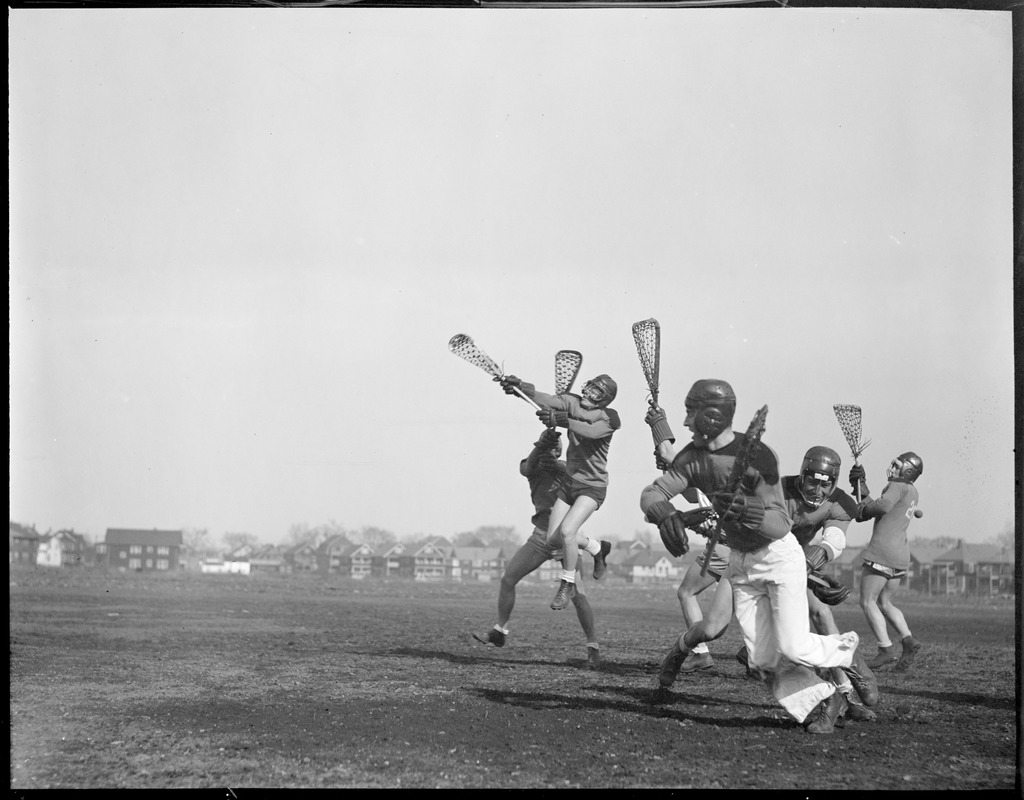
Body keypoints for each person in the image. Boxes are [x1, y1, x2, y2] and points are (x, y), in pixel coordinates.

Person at [640, 379, 878, 734]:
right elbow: (654, 490)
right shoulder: (693, 458)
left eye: (692, 412)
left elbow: (780, 525)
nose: (688, 421)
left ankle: (846, 654)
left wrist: (745, 509)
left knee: (794, 644)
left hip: (778, 557)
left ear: (713, 416)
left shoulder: (760, 458)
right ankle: (824, 701)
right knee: (763, 661)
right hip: (739, 560)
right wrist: (663, 513)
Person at [472, 428, 603, 669]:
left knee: (577, 594)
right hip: (541, 537)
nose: (547, 454)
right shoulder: (532, 466)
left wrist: (555, 462)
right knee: (508, 579)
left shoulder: (568, 471)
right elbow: (527, 466)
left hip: (566, 540)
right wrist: (541, 446)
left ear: (559, 452)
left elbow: (578, 478)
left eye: (552, 450)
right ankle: (500, 630)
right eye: (544, 448)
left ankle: (592, 646)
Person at [498, 372, 619, 611]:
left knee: (566, 531)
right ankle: (596, 547)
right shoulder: (572, 402)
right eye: (591, 387)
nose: (591, 394)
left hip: (592, 486)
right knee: (553, 538)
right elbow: (546, 399)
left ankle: (567, 583)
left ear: (604, 400)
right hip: (570, 484)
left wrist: (563, 420)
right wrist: (520, 388)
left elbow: (589, 431)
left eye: (598, 392)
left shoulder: (609, 418)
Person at [849, 452, 925, 672]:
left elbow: (882, 507)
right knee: (884, 602)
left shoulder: (895, 485)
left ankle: (886, 649)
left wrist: (863, 509)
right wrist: (861, 489)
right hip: (901, 555)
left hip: (882, 552)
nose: (892, 467)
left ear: (907, 471)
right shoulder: (912, 490)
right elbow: (882, 505)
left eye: (897, 465)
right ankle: (908, 640)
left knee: (867, 601)